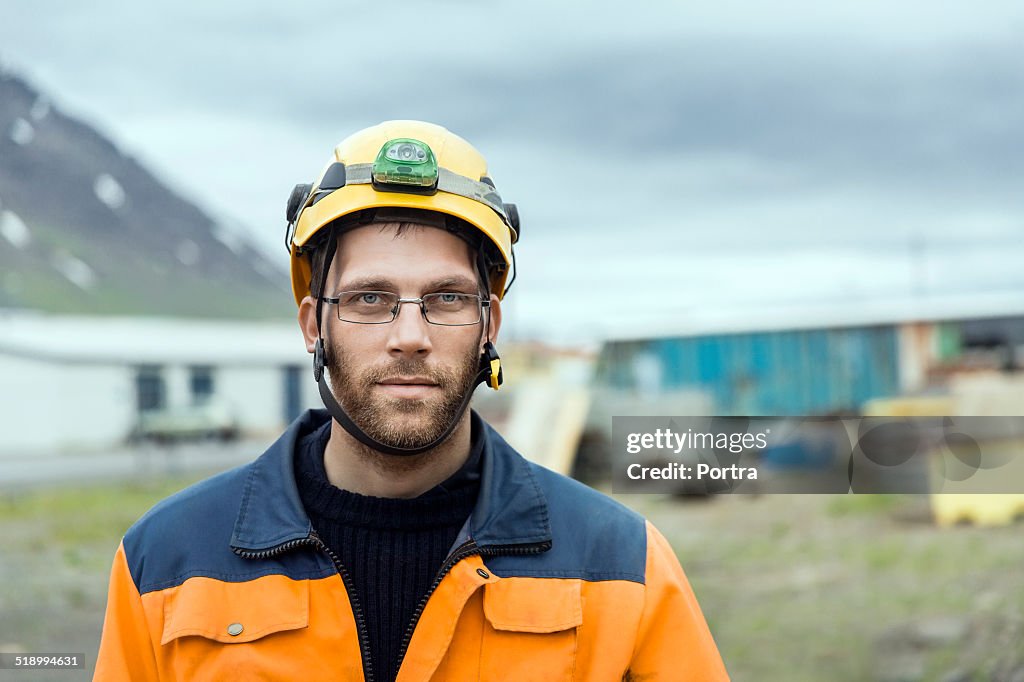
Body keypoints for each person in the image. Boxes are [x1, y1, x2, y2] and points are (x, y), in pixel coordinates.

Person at [94, 120, 729, 681]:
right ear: (314, 325)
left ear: (490, 326)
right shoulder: (166, 561)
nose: (410, 337)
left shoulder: (622, 566)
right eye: (370, 299)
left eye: (446, 299)